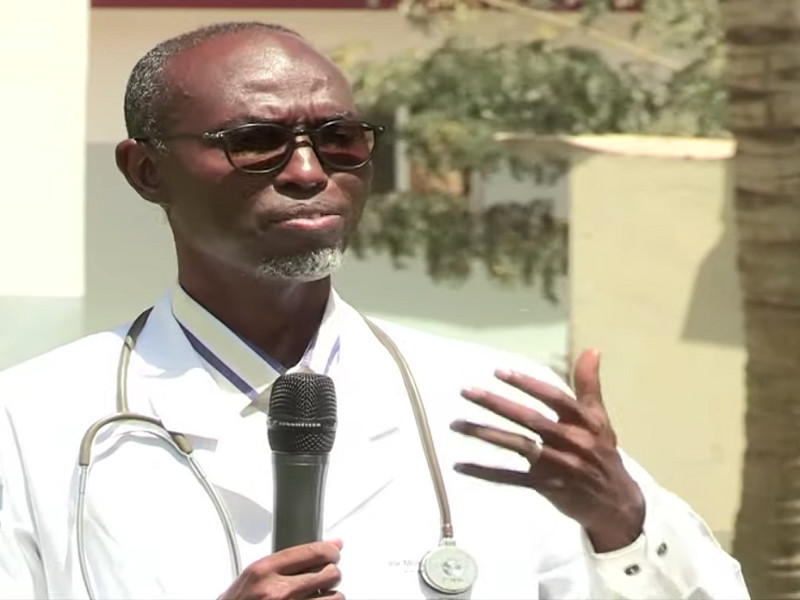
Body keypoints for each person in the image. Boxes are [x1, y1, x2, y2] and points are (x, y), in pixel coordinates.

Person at [0, 21, 748, 600]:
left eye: (339, 140)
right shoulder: (32, 420)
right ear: (146, 170)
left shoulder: (498, 407)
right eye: (256, 142)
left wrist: (622, 519)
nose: (306, 171)